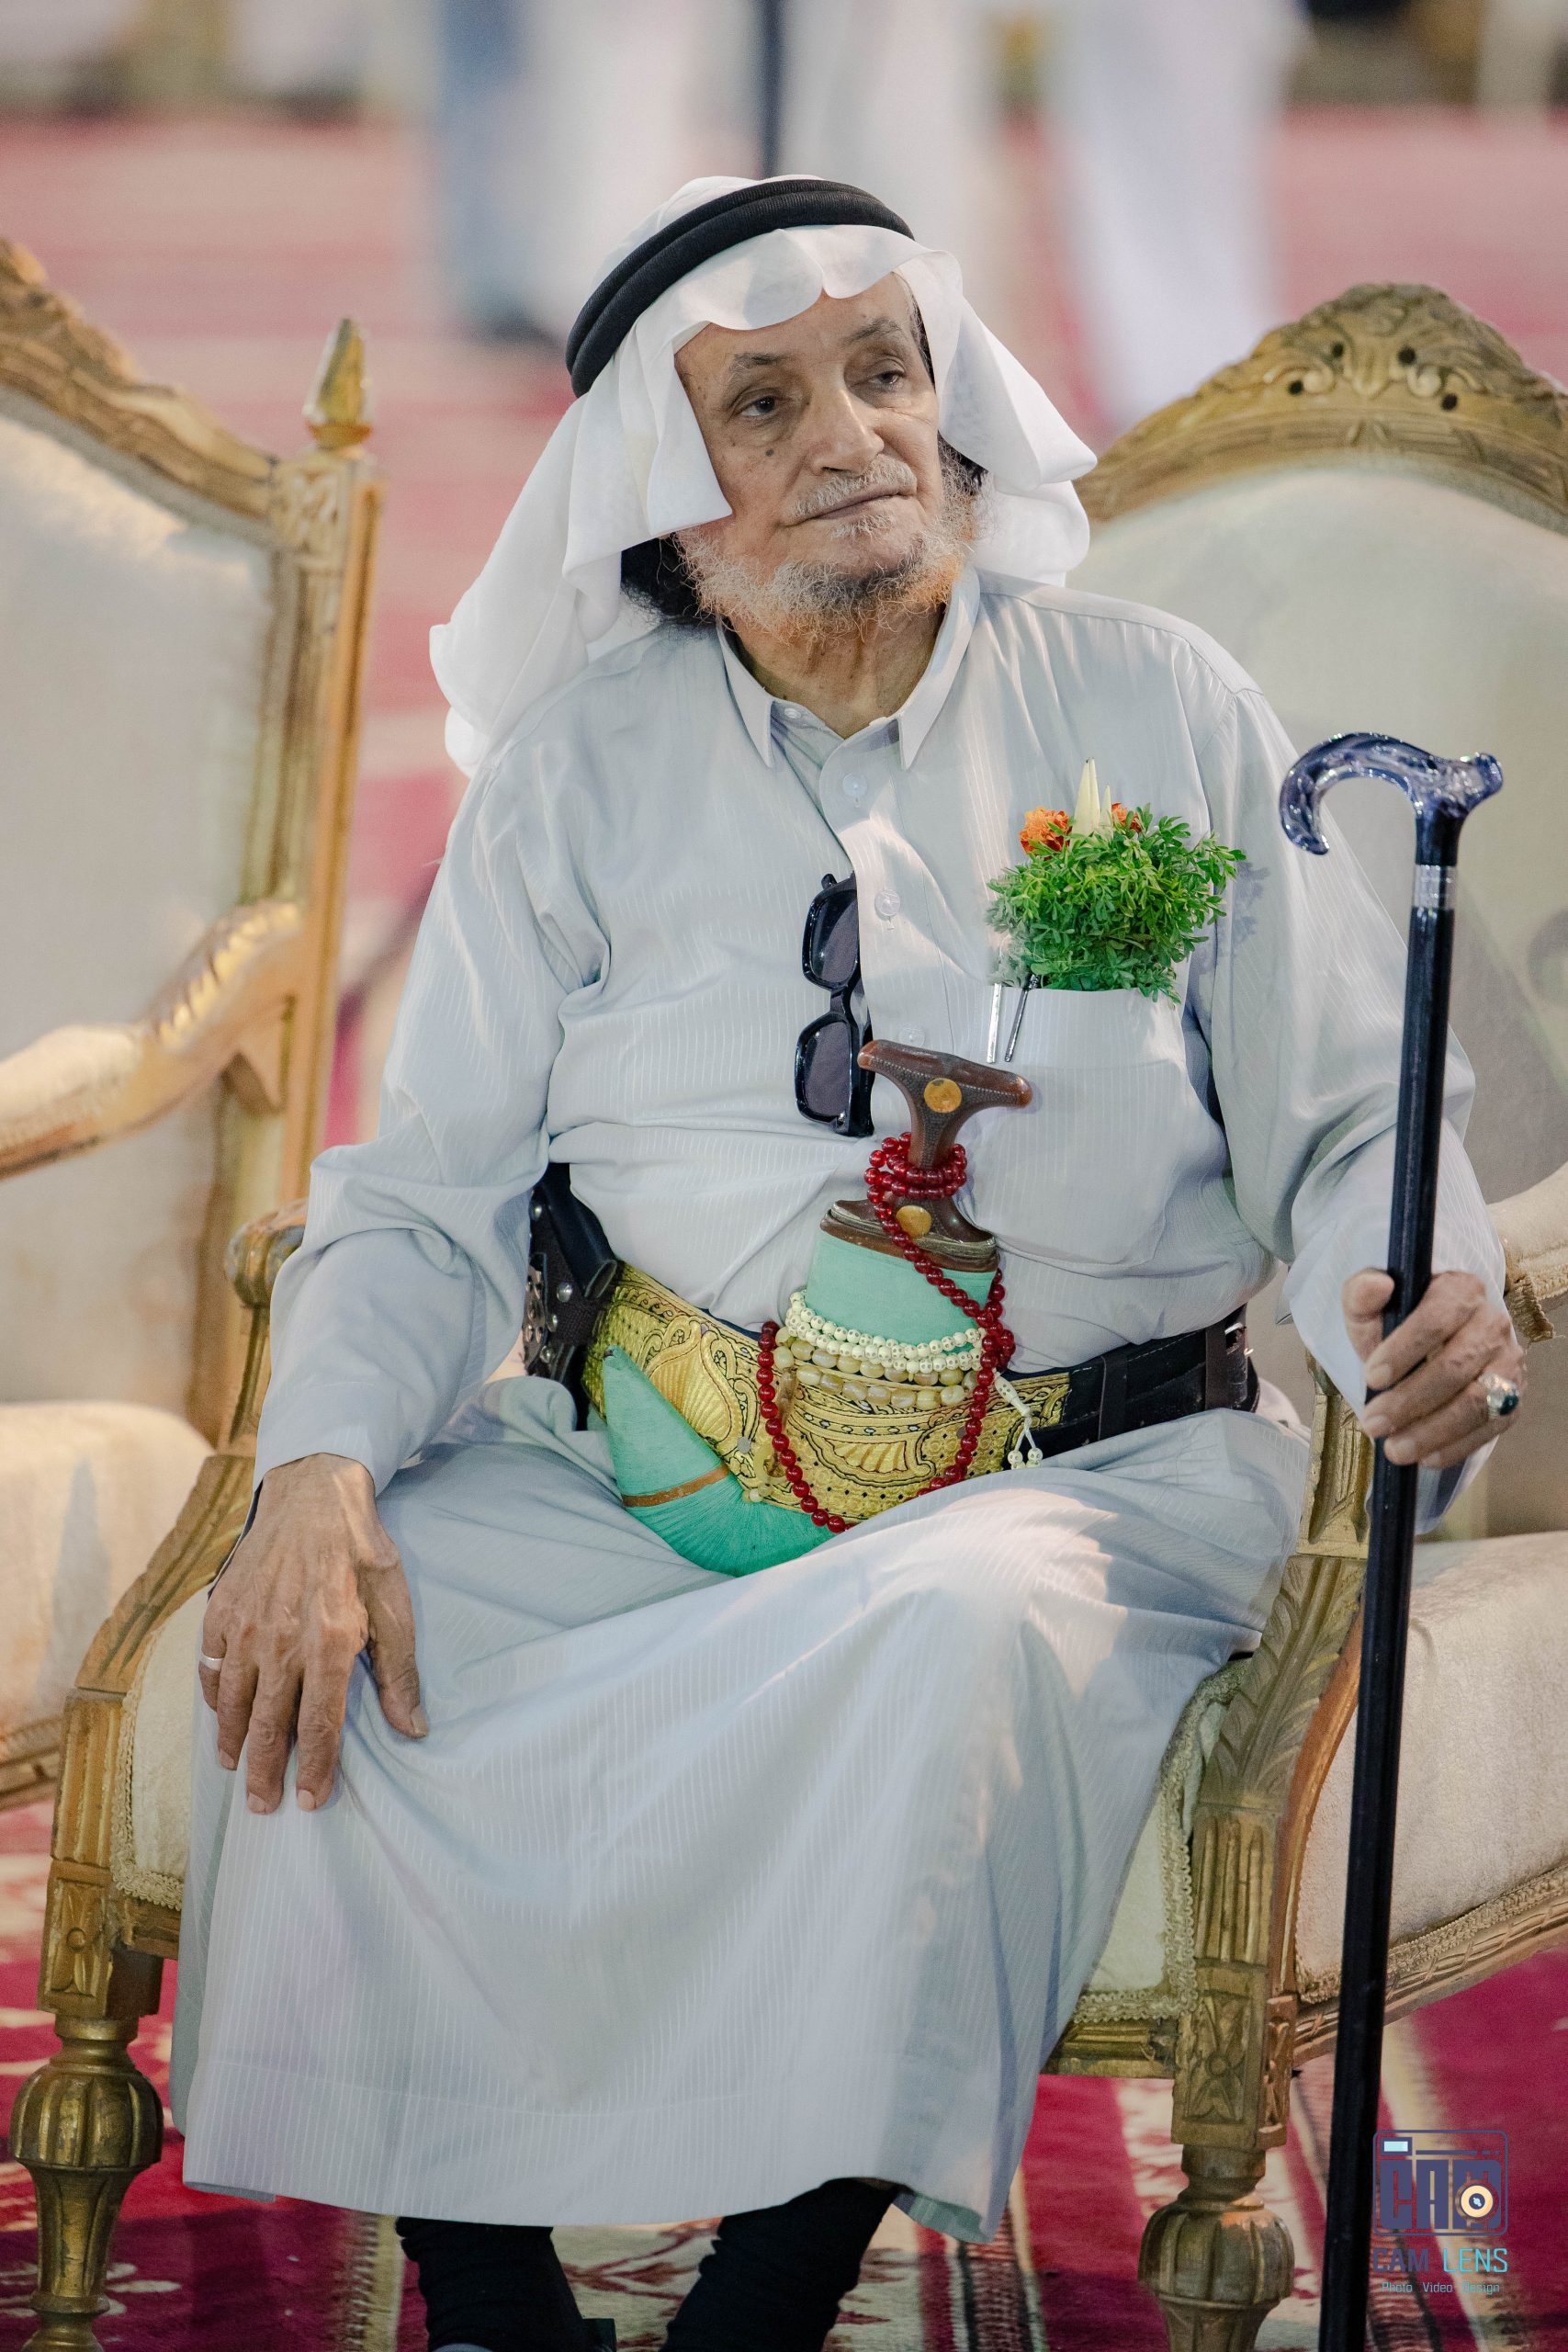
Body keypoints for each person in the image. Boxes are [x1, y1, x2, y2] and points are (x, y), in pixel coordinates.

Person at [173, 175, 1525, 2352]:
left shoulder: (1155, 702)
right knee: (354, 1633)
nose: (853, 433)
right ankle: (495, 2304)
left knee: (941, 1625)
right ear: (660, 489)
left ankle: (757, 2305)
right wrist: (318, 1471)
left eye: (884, 372)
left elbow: (1356, 1108)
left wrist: (1414, 1284)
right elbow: (420, 1195)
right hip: (663, 1473)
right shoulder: (572, 781)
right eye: (767, 403)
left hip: (1078, 1487)